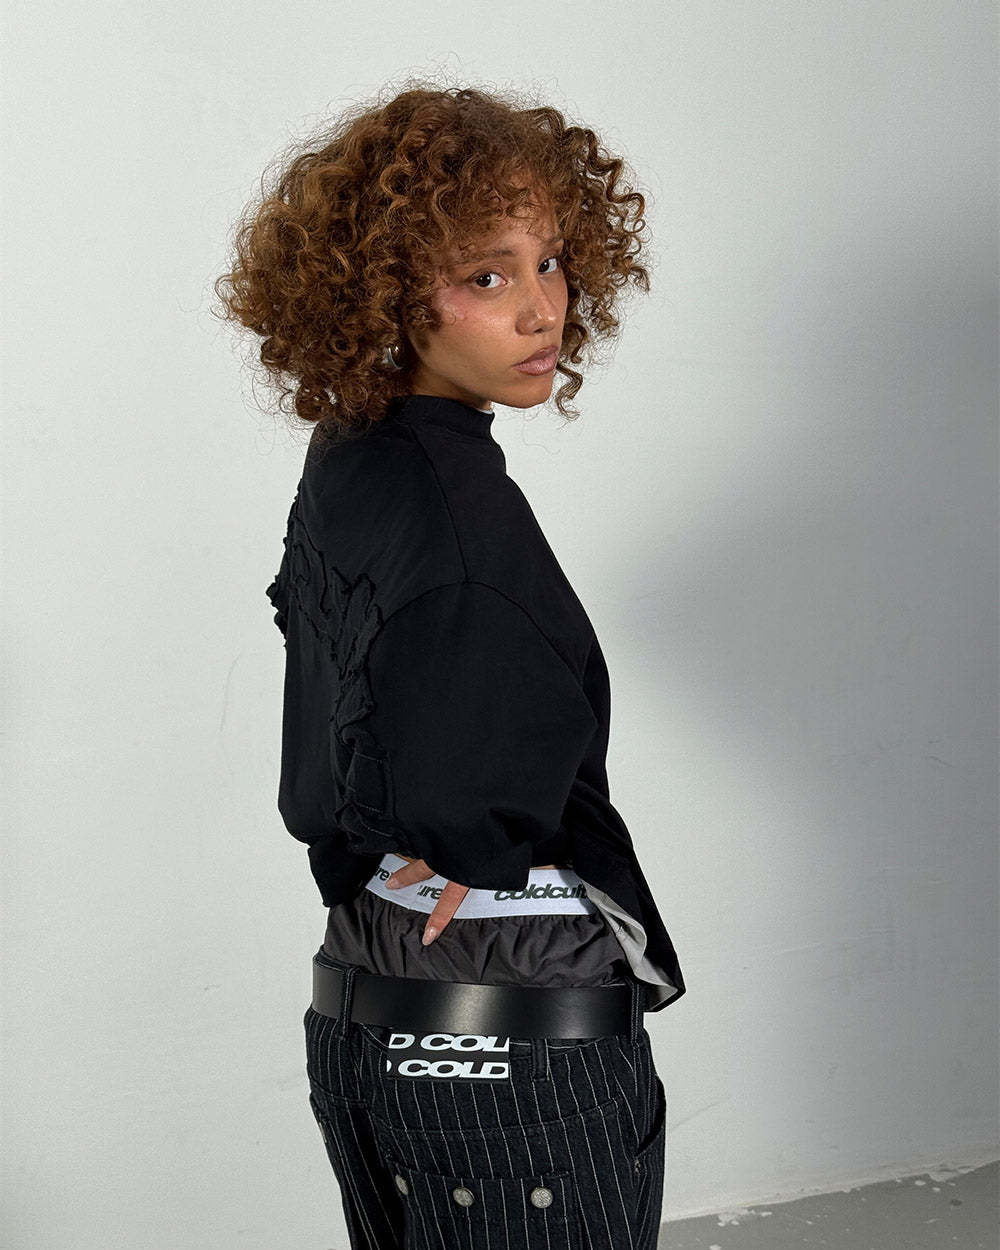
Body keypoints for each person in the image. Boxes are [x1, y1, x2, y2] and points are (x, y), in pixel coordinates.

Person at [215, 81, 687, 1250]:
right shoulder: (463, 520)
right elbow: (475, 747)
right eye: (485, 275)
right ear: (381, 291)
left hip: (364, 975)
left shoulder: (352, 457)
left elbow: (350, 675)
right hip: (501, 985)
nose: (540, 309)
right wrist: (467, 839)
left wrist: (400, 823)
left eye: (551, 262)